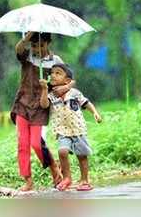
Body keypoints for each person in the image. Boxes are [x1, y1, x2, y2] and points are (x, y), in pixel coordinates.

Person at [11, 31, 74, 191]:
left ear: (48, 43)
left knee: (36, 144)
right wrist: (26, 38)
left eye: (41, 45)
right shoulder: (27, 56)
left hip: (41, 107)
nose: (37, 48)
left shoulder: (56, 61)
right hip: (22, 104)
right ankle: (28, 180)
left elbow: (68, 80)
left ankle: (53, 166)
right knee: (22, 144)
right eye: (34, 45)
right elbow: (18, 49)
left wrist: (59, 88)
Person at [39, 63, 102, 191]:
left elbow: (86, 103)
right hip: (62, 130)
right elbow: (44, 105)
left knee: (82, 155)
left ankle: (84, 180)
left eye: (58, 73)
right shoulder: (51, 95)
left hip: (78, 129)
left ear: (67, 80)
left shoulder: (74, 93)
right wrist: (44, 89)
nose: (53, 75)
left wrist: (95, 113)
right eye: (52, 73)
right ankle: (67, 178)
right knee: (62, 151)